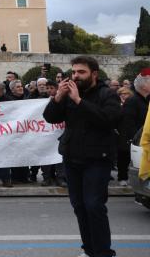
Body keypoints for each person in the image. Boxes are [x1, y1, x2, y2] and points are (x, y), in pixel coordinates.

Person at [43, 56, 121, 257]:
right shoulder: (68, 93)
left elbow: (107, 120)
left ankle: (103, 253)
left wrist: (78, 100)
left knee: (94, 206)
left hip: (97, 159)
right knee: (79, 207)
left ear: (94, 74)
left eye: (81, 72)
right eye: (74, 72)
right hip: (72, 158)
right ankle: (89, 250)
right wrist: (59, 97)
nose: (76, 76)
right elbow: (50, 117)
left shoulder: (107, 94)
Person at [118, 70, 150, 186]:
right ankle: (123, 177)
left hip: (142, 135)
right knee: (126, 158)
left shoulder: (146, 100)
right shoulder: (133, 100)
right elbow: (128, 122)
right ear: (144, 86)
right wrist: (134, 138)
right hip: (134, 137)